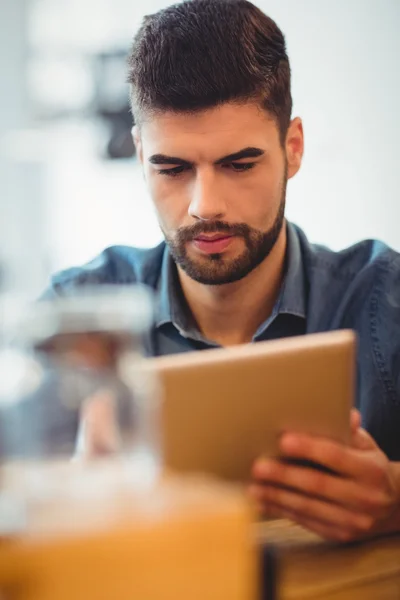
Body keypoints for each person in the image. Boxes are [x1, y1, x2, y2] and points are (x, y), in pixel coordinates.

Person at [44, 0, 400, 541]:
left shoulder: (387, 299)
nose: (204, 206)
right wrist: (64, 497)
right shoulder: (74, 318)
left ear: (293, 148)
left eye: (239, 164)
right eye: (173, 168)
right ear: (141, 157)